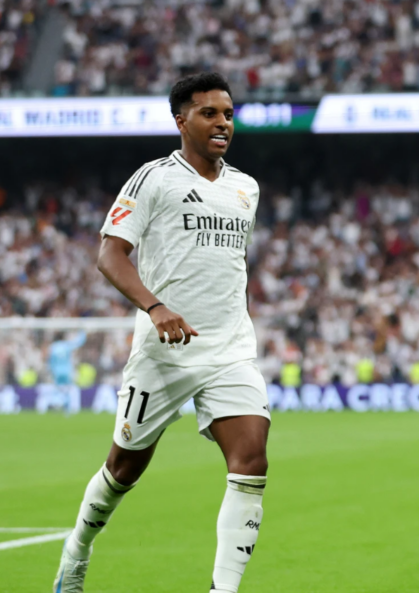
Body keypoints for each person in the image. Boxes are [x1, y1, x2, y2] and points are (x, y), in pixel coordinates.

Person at [53, 72, 269, 593]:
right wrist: (155, 307)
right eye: (209, 113)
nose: (223, 123)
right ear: (182, 120)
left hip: (229, 347)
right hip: (164, 352)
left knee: (252, 460)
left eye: (229, 114)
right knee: (122, 469)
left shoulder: (246, 187)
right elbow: (110, 254)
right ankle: (75, 553)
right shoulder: (153, 179)